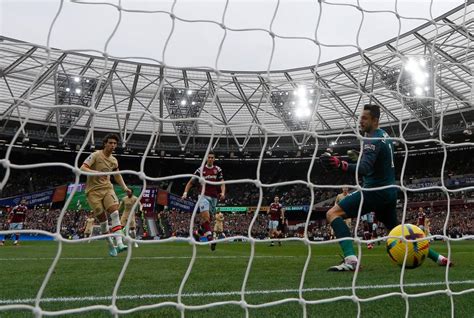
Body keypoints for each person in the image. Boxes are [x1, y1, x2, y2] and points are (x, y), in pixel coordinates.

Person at [321, 104, 452, 271]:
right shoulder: (385, 136)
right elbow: (375, 162)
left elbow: (365, 168)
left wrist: (340, 164)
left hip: (374, 191)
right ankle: (438, 258)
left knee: (332, 213)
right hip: (389, 193)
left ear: (375, 120)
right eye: (360, 118)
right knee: (397, 231)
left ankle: (352, 260)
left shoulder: (372, 139)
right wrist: (358, 157)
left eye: (365, 118)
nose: (360, 121)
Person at [81, 133, 132, 257]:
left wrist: (125, 188)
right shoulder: (95, 155)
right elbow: (83, 168)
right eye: (110, 143)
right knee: (103, 222)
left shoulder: (114, 160)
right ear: (105, 143)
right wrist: (97, 173)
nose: (112, 145)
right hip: (93, 191)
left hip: (107, 188)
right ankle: (110, 244)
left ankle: (119, 244)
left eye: (115, 143)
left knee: (114, 213)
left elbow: (117, 175)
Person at [182, 151, 225, 251]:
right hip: (203, 196)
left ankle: (197, 233)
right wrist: (185, 193)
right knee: (206, 218)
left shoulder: (217, 169)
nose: (210, 159)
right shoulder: (200, 170)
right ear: (206, 158)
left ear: (214, 159)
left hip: (214, 198)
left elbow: (222, 182)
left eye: (212, 157)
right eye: (209, 157)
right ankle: (210, 241)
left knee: (207, 221)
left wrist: (222, 193)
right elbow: (190, 182)